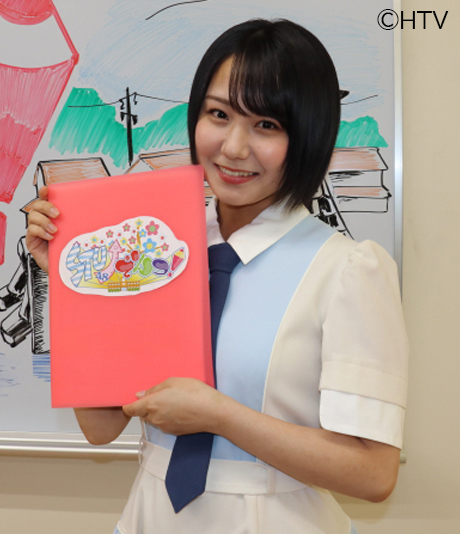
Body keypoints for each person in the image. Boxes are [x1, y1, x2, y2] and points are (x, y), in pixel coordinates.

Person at [26, 19, 408, 534]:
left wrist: (221, 416)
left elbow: (374, 473)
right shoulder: (152, 247)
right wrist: (71, 285)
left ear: (308, 135)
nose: (233, 147)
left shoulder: (347, 270)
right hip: (150, 518)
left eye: (266, 124)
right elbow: (100, 426)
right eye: (219, 114)